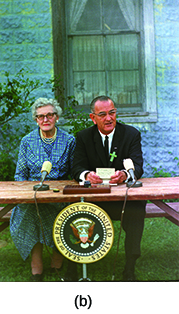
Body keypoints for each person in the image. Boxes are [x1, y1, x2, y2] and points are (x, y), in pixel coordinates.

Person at [71, 95, 146, 281]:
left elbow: (138, 166)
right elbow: (76, 168)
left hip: (122, 200)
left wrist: (125, 174)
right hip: (94, 200)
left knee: (138, 206)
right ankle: (74, 265)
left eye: (112, 113)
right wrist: (86, 175)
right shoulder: (83, 137)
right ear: (92, 117)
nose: (109, 118)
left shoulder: (131, 134)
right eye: (102, 114)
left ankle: (130, 266)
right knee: (72, 207)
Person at [9, 98, 75, 281]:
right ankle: (36, 261)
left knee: (61, 212)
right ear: (36, 119)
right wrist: (28, 193)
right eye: (40, 116)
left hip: (59, 195)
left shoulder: (69, 140)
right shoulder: (27, 141)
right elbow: (20, 174)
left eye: (49, 115)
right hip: (34, 193)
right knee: (29, 210)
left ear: (57, 117)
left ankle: (57, 253)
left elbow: (74, 173)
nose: (45, 120)